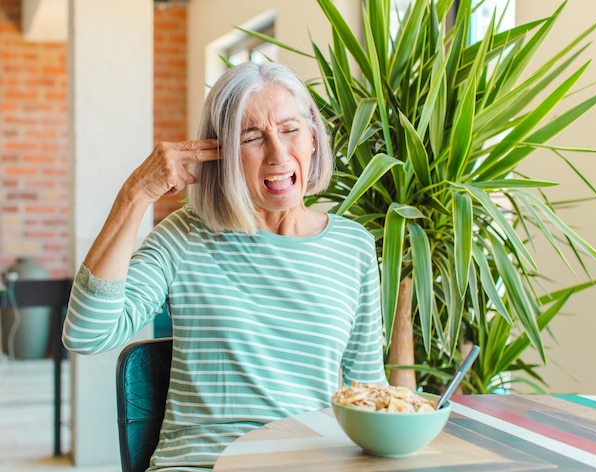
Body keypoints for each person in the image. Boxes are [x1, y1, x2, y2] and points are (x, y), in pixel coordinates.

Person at [62, 61, 388, 471]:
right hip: (201, 464)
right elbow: (87, 333)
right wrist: (136, 193)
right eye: (252, 138)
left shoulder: (352, 246)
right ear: (221, 154)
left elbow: (369, 390)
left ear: (313, 138)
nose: (277, 153)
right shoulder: (186, 236)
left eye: (290, 130)